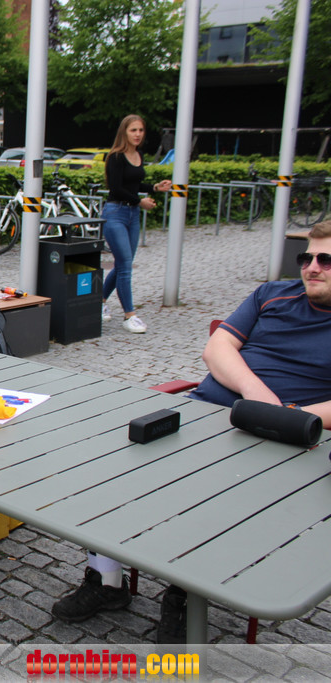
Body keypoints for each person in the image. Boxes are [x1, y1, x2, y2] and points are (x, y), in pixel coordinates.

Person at [52, 220, 331, 642]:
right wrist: (257, 395)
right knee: (108, 464)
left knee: (208, 497)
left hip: (285, 438)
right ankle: (106, 580)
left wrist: (287, 416)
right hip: (207, 411)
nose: (311, 267)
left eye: (326, 260)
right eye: (306, 257)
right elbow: (217, 347)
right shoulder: (271, 294)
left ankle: (182, 597)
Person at [99, 114, 172, 334]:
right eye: (133, 130)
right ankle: (129, 315)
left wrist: (155, 188)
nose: (138, 134)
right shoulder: (115, 157)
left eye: (140, 130)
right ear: (124, 132)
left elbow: (135, 184)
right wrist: (140, 201)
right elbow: (116, 188)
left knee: (123, 263)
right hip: (116, 213)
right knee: (125, 265)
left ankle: (99, 301)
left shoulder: (138, 155)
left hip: (132, 215)